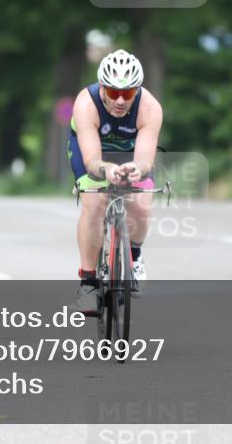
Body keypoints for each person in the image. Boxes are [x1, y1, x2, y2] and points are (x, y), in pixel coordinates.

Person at [69, 49, 163, 312]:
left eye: (128, 93)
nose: (120, 100)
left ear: (137, 90)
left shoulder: (150, 108)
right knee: (95, 203)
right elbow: (92, 162)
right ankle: (87, 282)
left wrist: (136, 168)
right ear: (102, 88)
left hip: (130, 154)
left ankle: (134, 256)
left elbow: (145, 160)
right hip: (92, 152)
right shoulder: (86, 104)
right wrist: (105, 169)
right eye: (113, 93)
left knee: (141, 205)